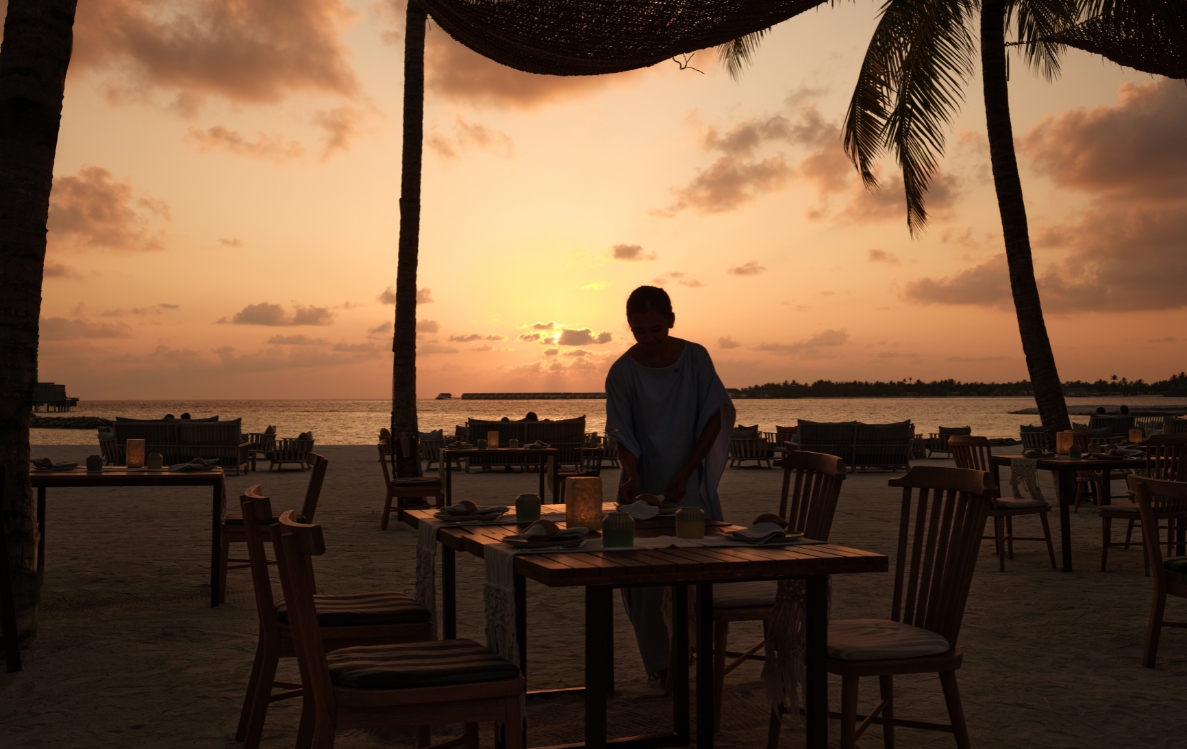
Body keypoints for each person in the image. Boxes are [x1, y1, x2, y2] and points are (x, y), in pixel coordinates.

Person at [605, 285, 735, 681]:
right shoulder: (622, 371)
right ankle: (660, 668)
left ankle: (691, 650)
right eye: (639, 332)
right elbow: (621, 431)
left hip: (688, 485)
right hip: (641, 487)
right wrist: (632, 475)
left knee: (694, 574)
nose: (648, 339)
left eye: (656, 329)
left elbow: (714, 415)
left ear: (672, 321)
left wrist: (686, 471)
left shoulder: (695, 358)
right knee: (640, 580)